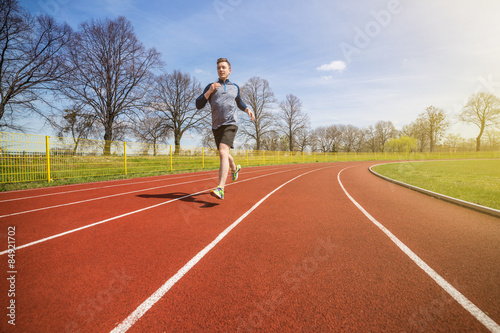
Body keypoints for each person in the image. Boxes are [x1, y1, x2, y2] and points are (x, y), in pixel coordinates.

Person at [196, 58, 255, 200]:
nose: (221, 70)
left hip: (231, 123)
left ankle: (220, 188)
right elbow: (198, 104)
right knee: (224, 153)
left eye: (223, 67)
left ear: (229, 70)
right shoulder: (211, 86)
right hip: (216, 125)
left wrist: (247, 109)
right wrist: (209, 92)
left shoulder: (235, 87)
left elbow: (239, 101)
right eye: (218, 68)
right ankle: (235, 168)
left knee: (223, 152)